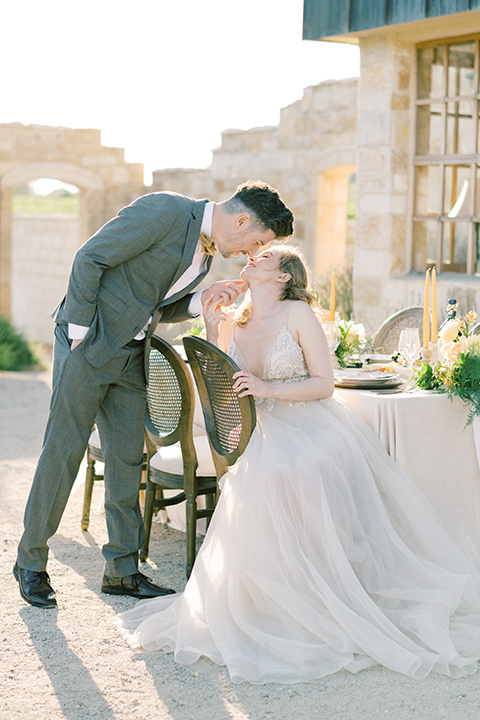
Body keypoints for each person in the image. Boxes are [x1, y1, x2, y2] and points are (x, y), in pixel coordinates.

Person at [117, 245, 480, 684]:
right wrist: (214, 328)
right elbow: (223, 381)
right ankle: (276, 596)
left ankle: (332, 582)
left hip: (309, 418)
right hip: (261, 425)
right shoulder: (237, 317)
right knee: (268, 473)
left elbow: (324, 385)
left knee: (309, 466)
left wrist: (268, 387)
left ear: (284, 276)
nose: (251, 258)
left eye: (264, 258)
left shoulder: (298, 315)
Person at [13, 181, 294, 610]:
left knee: (127, 459)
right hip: (89, 346)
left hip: (132, 355)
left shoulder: (205, 253)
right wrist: (81, 333)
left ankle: (121, 572)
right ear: (240, 220)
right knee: (64, 450)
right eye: (254, 241)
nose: (247, 253)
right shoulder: (165, 210)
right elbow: (90, 258)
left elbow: (153, 302)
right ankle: (30, 563)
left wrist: (200, 300)